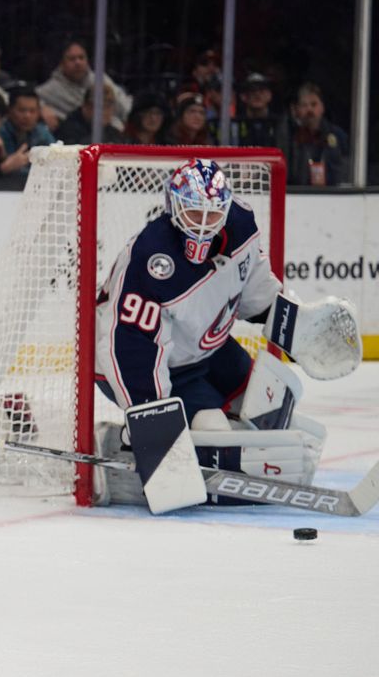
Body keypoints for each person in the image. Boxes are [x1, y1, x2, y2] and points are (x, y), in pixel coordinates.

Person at [93, 159, 357, 507]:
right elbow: (130, 347)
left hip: (206, 348)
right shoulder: (151, 261)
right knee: (214, 428)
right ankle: (122, 447)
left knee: (271, 408)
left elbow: (254, 291)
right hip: (146, 364)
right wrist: (152, 425)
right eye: (193, 215)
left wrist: (295, 326)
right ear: (173, 207)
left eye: (212, 215)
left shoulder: (241, 224)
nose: (203, 226)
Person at [35, 39, 131, 132]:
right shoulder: (50, 89)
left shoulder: (100, 79)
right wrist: (41, 108)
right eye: (72, 59)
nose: (78, 62)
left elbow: (125, 107)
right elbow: (30, 97)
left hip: (114, 132)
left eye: (81, 57)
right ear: (62, 63)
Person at [279, 82, 348, 187]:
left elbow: (346, 170)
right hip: (298, 194)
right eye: (304, 105)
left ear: (322, 108)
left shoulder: (337, 135)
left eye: (314, 104)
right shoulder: (288, 136)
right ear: (296, 110)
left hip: (332, 195)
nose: (309, 109)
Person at [0, 85, 53, 175]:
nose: (27, 116)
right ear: (9, 111)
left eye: (32, 111)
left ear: (39, 112)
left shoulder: (41, 132)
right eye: (22, 110)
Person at [54, 82, 124, 145]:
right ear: (85, 107)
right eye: (100, 107)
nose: (105, 112)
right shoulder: (68, 130)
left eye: (108, 107)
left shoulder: (113, 133)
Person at [230, 72, 278, 148]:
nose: (257, 94)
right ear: (243, 96)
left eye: (262, 90)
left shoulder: (278, 124)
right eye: (252, 90)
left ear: (269, 95)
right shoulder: (235, 125)